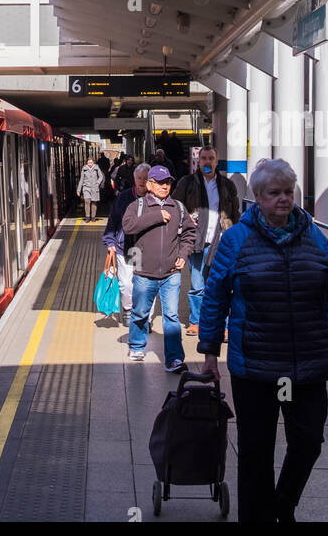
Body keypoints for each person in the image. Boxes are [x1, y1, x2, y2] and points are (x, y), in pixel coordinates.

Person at [199, 158, 328, 523]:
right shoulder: (236, 240)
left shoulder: (312, 234)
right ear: (258, 197)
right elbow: (215, 295)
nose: (284, 199)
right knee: (255, 451)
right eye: (274, 193)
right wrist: (209, 352)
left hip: (306, 364)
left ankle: (282, 506)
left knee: (309, 441)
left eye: (288, 192)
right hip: (256, 366)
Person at [124, 165, 196, 371]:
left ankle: (174, 358)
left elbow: (189, 234)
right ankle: (137, 346)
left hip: (171, 273)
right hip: (144, 272)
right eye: (160, 182)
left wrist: (183, 255)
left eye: (168, 182)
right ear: (149, 185)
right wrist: (157, 216)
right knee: (140, 312)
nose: (165, 186)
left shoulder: (179, 208)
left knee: (171, 316)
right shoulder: (137, 206)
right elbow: (128, 227)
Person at [173, 145, 241, 336]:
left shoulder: (227, 185)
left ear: (216, 161)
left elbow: (234, 214)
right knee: (197, 286)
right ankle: (196, 322)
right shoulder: (187, 183)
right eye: (204, 158)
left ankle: (224, 325)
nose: (207, 162)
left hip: (221, 242)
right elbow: (175, 207)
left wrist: (234, 238)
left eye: (211, 158)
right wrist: (186, 221)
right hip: (196, 241)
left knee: (221, 286)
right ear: (198, 161)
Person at [103, 163, 151, 325]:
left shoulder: (156, 198)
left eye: (146, 178)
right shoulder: (123, 197)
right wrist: (110, 241)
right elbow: (113, 221)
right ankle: (129, 308)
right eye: (139, 178)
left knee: (147, 285)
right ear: (134, 179)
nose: (142, 181)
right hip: (128, 248)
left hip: (149, 249)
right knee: (126, 284)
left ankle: (146, 317)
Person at [77, 157, 104, 221]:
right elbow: (81, 179)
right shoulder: (84, 169)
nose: (90, 164)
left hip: (94, 187)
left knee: (94, 202)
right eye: (88, 162)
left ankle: (93, 217)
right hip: (86, 187)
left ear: (93, 162)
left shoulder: (96, 168)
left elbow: (101, 176)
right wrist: (78, 189)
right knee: (87, 201)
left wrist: (97, 183)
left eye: (91, 162)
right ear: (87, 163)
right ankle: (87, 217)